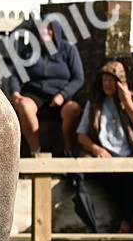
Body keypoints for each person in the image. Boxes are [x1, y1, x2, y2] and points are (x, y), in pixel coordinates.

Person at [75, 60, 133, 233]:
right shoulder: (95, 103)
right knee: (105, 178)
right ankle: (132, 216)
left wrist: (128, 103)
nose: (107, 84)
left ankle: (125, 223)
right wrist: (97, 149)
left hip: (131, 158)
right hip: (105, 159)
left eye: (111, 80)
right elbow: (81, 135)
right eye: (104, 81)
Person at [6, 19, 85, 156]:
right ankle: (35, 152)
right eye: (42, 29)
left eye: (49, 29)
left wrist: (63, 95)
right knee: (24, 105)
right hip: (34, 94)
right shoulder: (29, 51)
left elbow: (78, 77)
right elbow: (16, 75)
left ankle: (68, 150)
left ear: (56, 31)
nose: (45, 33)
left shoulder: (68, 49)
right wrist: (16, 94)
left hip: (60, 96)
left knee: (74, 109)